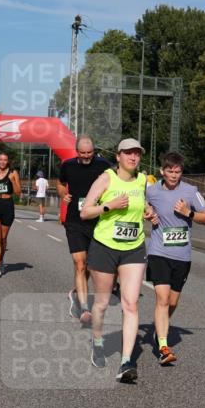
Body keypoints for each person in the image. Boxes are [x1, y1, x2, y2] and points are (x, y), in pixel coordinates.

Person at [80, 138, 152, 383]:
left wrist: (148, 210)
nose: (133, 157)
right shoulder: (106, 179)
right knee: (101, 303)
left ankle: (126, 362)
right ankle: (98, 341)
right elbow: (85, 211)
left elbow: (141, 203)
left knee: (130, 304)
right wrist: (108, 206)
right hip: (105, 247)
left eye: (137, 154)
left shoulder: (142, 180)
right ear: (118, 156)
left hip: (133, 247)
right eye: (128, 153)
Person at [144, 152, 205, 364]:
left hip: (182, 255)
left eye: (178, 171)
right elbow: (141, 206)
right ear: (162, 171)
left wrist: (188, 212)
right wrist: (147, 213)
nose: (174, 175)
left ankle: (159, 328)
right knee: (162, 299)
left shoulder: (191, 191)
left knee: (172, 302)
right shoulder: (151, 190)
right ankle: (163, 346)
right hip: (158, 252)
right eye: (170, 171)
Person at [57, 136, 111, 325]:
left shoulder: (104, 165)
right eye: (83, 153)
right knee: (80, 263)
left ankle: (76, 292)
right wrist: (63, 195)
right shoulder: (68, 165)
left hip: (98, 221)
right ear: (76, 151)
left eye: (90, 153)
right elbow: (60, 183)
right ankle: (84, 308)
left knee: (90, 265)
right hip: (75, 220)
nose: (87, 156)